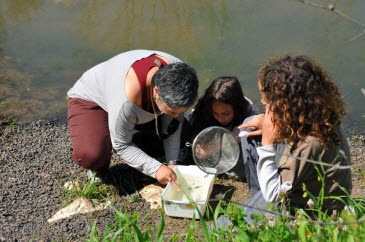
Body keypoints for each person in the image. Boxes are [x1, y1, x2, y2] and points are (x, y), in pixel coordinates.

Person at [216, 55, 352, 228]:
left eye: (267, 98)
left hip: (311, 214)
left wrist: (267, 143)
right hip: (299, 189)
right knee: (249, 131)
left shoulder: (311, 142)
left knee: (219, 228)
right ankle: (259, 200)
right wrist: (267, 129)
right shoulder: (314, 117)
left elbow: (275, 194)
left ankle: (265, 213)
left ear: (287, 103)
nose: (263, 101)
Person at [67, 50, 199, 190]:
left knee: (184, 132)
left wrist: (172, 162)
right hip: (93, 100)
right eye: (171, 111)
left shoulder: (183, 77)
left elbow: (173, 128)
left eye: (180, 112)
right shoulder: (128, 97)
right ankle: (99, 166)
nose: (175, 115)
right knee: (92, 155)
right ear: (156, 92)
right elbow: (121, 144)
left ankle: (132, 138)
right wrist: (156, 169)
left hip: (135, 107)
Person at [187, 76, 261, 178]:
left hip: (233, 140)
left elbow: (259, 127)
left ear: (237, 108)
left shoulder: (247, 109)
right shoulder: (199, 112)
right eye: (215, 113)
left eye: (226, 114)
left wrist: (223, 143)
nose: (221, 119)